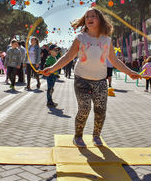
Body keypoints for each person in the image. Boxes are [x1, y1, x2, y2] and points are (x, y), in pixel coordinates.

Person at [43, 8, 141, 147]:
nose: (89, 18)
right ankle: (78, 136)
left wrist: (130, 72)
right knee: (85, 108)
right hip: (81, 79)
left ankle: (96, 136)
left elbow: (114, 60)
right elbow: (68, 57)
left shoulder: (106, 40)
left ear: (99, 19)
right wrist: (52, 68)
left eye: (93, 16)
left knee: (101, 110)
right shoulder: (80, 38)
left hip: (100, 80)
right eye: (87, 16)